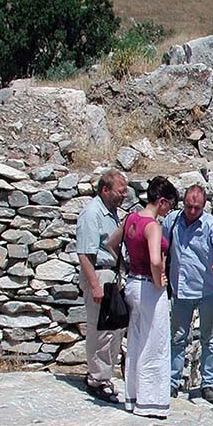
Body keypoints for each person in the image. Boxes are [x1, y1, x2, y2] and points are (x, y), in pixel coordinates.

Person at [111, 176, 178, 419]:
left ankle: (133, 395)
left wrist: (129, 265)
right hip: (149, 288)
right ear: (161, 201)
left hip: (132, 283)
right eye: (169, 204)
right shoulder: (152, 226)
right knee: (155, 343)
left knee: (136, 340)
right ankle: (151, 402)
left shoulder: (131, 219)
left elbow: (111, 243)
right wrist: (160, 281)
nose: (169, 209)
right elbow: (155, 259)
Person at [164, 185, 213, 403]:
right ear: (183, 203)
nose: (192, 211)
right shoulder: (172, 220)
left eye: (197, 208)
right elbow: (162, 246)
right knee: (177, 337)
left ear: (204, 206)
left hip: (207, 290)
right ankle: (172, 382)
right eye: (189, 207)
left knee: (208, 337)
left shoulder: (211, 224)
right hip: (181, 289)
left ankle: (208, 384)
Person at [76, 169, 127, 404]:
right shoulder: (92, 214)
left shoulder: (112, 213)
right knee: (100, 331)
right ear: (105, 190)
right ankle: (96, 378)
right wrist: (95, 286)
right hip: (98, 275)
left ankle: (104, 375)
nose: (124, 195)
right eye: (120, 191)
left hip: (111, 276)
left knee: (113, 328)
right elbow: (85, 254)